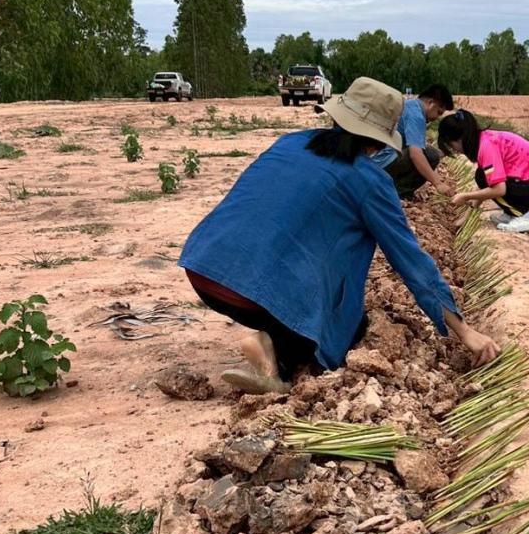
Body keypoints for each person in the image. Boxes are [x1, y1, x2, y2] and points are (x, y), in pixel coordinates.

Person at [179, 77, 499, 393]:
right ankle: (273, 348)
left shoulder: (289, 141)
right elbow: (410, 260)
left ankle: (273, 332)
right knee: (347, 326)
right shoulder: (370, 181)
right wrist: (464, 331)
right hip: (247, 294)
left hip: (204, 267)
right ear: (379, 139)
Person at [439, 110, 529, 233]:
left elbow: (499, 190)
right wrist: (466, 217)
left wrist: (465, 196)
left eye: (451, 145)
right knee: (481, 176)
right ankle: (512, 213)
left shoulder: (486, 147)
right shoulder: (485, 138)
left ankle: (524, 216)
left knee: (488, 182)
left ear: (460, 139)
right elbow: (486, 182)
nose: (454, 150)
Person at [371, 83, 454, 199]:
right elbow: (416, 154)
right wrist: (438, 183)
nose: (437, 117)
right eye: (439, 112)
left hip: (374, 160)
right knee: (431, 156)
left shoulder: (410, 105)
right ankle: (398, 193)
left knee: (430, 152)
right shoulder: (417, 116)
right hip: (382, 163)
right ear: (430, 103)